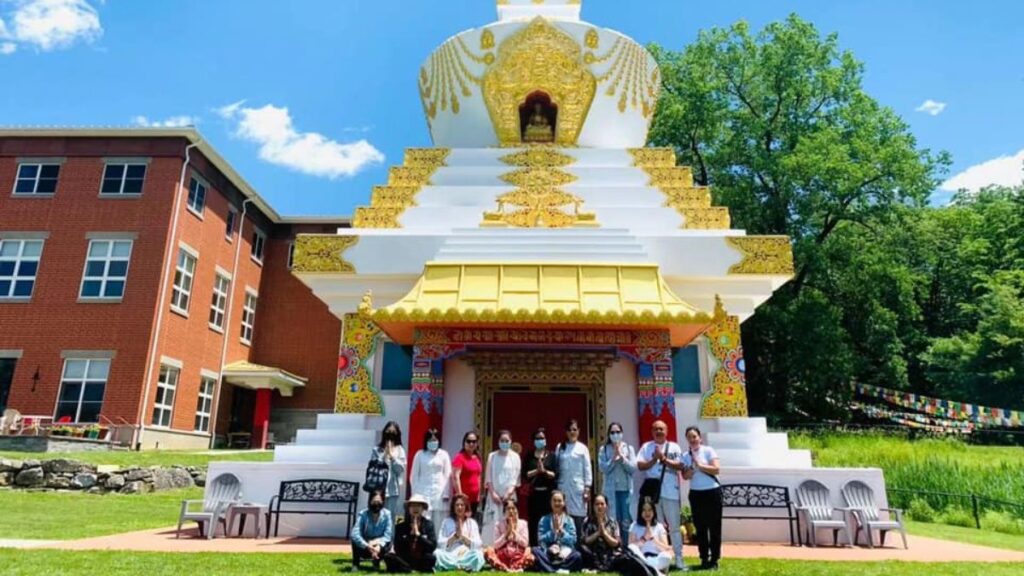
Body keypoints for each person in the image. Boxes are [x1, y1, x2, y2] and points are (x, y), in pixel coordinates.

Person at [636, 420, 686, 571]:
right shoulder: (647, 447)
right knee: (654, 526)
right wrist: (654, 459)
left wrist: (663, 459)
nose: (658, 431)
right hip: (653, 494)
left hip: (670, 492)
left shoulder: (674, 447)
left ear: (667, 430)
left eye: (661, 429)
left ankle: (679, 558)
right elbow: (640, 465)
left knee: (674, 527)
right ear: (652, 431)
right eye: (656, 429)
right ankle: (657, 558)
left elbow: (680, 465)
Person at [681, 426, 722, 571]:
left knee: (714, 526)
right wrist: (691, 468)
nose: (692, 440)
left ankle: (715, 558)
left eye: (694, 437)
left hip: (712, 491)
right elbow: (685, 476)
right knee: (701, 527)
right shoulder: (685, 456)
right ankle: (704, 557)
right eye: (689, 437)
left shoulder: (708, 451)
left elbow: (716, 469)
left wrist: (701, 465)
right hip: (696, 493)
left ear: (700, 438)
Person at [482, 429, 522, 543]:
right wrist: (493, 493)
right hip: (494, 495)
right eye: (502, 440)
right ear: (498, 442)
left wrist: (508, 493)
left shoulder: (515, 457)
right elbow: (488, 477)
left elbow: (516, 477)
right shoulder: (492, 456)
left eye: (507, 440)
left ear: (510, 441)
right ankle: (490, 547)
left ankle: (509, 546)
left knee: (508, 520)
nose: (504, 443)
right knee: (492, 523)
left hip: (509, 496)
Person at [599, 422, 637, 536]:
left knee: (626, 519)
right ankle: (614, 546)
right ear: (609, 434)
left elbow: (632, 468)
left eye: (618, 432)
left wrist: (622, 458)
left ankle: (626, 546)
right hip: (610, 490)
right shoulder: (604, 449)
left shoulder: (629, 449)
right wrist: (613, 459)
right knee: (612, 519)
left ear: (622, 433)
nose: (615, 434)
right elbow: (603, 468)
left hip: (625, 490)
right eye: (612, 432)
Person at [556, 418, 592, 537]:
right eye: (569, 430)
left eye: (574, 429)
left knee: (578, 520)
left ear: (579, 431)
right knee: (563, 518)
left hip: (578, 489)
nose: (572, 432)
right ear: (566, 432)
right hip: (563, 488)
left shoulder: (583, 448)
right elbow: (556, 467)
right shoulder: (560, 447)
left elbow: (587, 469)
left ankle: (578, 550)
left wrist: (587, 487)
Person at [522, 427, 558, 546]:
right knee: (534, 522)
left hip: (547, 495)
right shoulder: (529, 456)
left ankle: (547, 547)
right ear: (533, 441)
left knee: (547, 522)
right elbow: (525, 474)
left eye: (542, 438)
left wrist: (544, 471)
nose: (540, 440)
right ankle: (533, 548)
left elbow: (555, 474)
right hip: (534, 495)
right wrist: (536, 471)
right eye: (537, 438)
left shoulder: (551, 455)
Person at [532, 490, 583, 573]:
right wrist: (553, 532)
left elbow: (573, 540)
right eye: (554, 500)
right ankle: (558, 570)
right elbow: (540, 539)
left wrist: (561, 532)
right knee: (535, 550)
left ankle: (550, 569)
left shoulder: (569, 520)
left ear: (564, 503)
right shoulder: (544, 519)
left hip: (564, 553)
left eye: (559, 501)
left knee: (577, 556)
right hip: (548, 552)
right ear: (550, 502)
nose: (557, 503)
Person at [410, 428, 452, 529]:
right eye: (430, 441)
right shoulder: (420, 454)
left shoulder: (444, 455)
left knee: (439, 523)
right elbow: (414, 476)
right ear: (426, 441)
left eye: (435, 440)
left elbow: (447, 474)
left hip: (440, 493)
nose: (433, 442)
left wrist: (446, 493)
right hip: (423, 492)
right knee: (424, 521)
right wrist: (415, 495)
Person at [384, 494, 436, 573]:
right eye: (413, 506)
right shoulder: (400, 526)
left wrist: (419, 536)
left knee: (431, 558)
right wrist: (409, 536)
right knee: (388, 557)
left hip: (421, 558)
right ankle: (409, 569)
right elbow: (397, 548)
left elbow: (432, 546)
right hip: (405, 558)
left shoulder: (428, 524)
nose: (416, 508)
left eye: (418, 506)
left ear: (423, 509)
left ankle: (407, 569)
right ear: (408, 509)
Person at [434, 493, 486, 572]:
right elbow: (440, 543)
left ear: (466, 507)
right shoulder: (446, 522)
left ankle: (453, 566)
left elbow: (478, 544)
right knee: (437, 554)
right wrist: (455, 536)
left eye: (462, 505)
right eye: (457, 505)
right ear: (453, 507)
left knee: (478, 555)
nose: (459, 507)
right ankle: (462, 566)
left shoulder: (472, 522)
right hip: (451, 554)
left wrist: (463, 537)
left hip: (466, 554)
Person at [579, 493, 630, 573]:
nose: (600, 507)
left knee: (623, 555)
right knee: (582, 550)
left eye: (602, 504)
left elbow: (616, 543)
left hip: (609, 554)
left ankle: (604, 567)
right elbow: (585, 541)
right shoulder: (587, 521)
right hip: (592, 554)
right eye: (597, 504)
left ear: (607, 506)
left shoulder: (613, 522)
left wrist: (604, 533)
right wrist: (598, 533)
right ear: (593, 506)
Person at [484, 497, 535, 572]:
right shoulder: (498, 524)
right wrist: (506, 533)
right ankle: (505, 567)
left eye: (513, 508)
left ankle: (514, 567)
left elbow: (525, 543)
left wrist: (514, 531)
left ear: (517, 510)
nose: (511, 511)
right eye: (508, 509)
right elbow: (496, 545)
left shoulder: (523, 523)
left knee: (530, 553)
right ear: (504, 511)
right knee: (488, 551)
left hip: (518, 554)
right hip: (502, 555)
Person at [629, 497, 675, 576]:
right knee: (631, 547)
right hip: (642, 559)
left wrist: (653, 539)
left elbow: (666, 548)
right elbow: (631, 548)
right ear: (640, 511)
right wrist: (644, 539)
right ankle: (656, 573)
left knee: (667, 556)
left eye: (650, 510)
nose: (647, 513)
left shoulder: (659, 526)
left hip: (657, 559)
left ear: (654, 511)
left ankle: (649, 570)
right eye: (644, 510)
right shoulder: (634, 525)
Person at [372, 421, 408, 523]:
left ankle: (390, 538)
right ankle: (376, 537)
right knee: (376, 513)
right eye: (388, 431)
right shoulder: (376, 449)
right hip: (378, 488)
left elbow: (400, 469)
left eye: (393, 431)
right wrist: (384, 455)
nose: (390, 433)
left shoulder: (400, 450)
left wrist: (392, 457)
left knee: (391, 516)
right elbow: (374, 466)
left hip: (393, 489)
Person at [351, 490, 393, 573]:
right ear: (369, 502)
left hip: (379, 545)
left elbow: (387, 535)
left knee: (389, 542)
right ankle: (355, 564)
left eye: (379, 501)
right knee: (354, 540)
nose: (376, 504)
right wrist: (367, 545)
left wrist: (378, 545)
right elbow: (354, 533)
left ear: (383, 502)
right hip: (366, 546)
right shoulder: (363, 514)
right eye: (374, 501)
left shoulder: (387, 514)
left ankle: (376, 562)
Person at [452, 431, 484, 524]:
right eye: (468, 441)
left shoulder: (477, 457)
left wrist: (479, 494)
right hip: (463, 499)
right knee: (461, 522)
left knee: (471, 523)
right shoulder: (460, 457)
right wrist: (460, 494)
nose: (471, 444)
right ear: (464, 442)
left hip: (474, 499)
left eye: (474, 441)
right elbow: (455, 476)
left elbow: (478, 476)